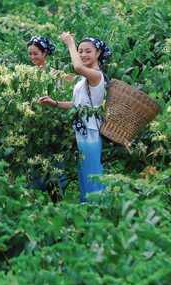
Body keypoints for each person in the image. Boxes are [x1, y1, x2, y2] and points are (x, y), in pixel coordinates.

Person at [38, 32, 112, 202]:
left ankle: (97, 208)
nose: (83, 54)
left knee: (92, 174)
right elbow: (77, 105)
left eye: (88, 51)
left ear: (98, 53)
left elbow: (77, 67)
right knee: (85, 173)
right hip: (82, 131)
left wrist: (71, 43)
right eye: (80, 51)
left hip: (91, 132)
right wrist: (54, 103)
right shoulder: (85, 78)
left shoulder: (96, 75)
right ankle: (89, 208)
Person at [26, 36, 68, 200]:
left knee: (54, 164)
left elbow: (61, 96)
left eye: (36, 53)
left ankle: (56, 200)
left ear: (45, 53)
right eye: (30, 54)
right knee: (35, 163)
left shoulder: (56, 75)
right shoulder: (28, 74)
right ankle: (36, 202)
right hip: (34, 125)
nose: (32, 58)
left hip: (52, 126)